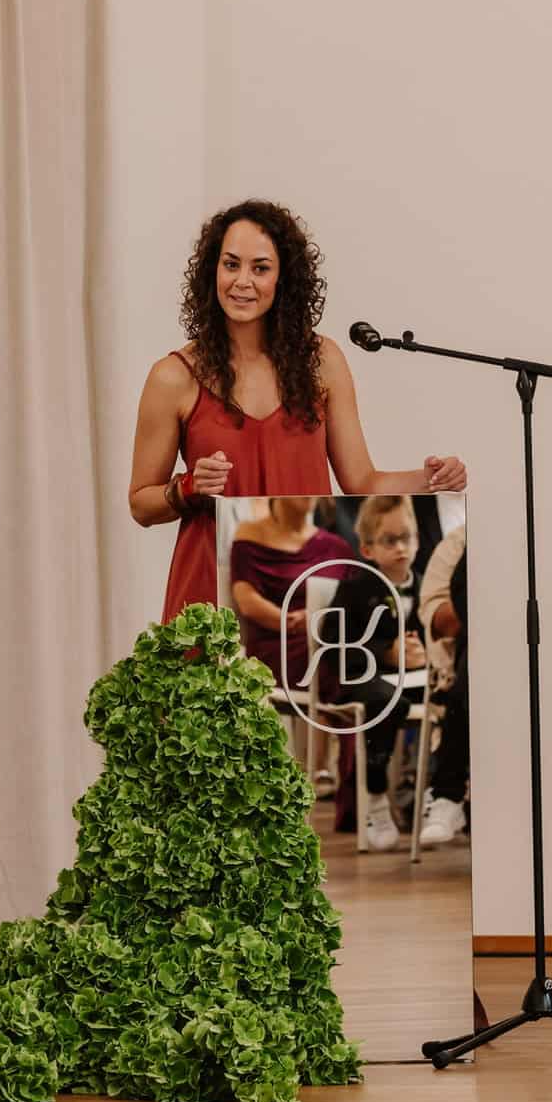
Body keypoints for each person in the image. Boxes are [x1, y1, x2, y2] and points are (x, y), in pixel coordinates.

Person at [128, 199, 466, 622]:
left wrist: (432, 478)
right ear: (212, 271)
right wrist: (188, 487)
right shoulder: (173, 376)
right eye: (231, 265)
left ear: (284, 278)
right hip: (208, 592)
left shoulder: (323, 362)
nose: (242, 281)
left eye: (260, 268)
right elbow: (141, 503)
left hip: (303, 589)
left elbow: (362, 480)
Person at [331, 494, 427, 850]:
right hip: (365, 680)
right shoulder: (355, 587)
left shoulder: (427, 586)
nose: (401, 548)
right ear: (367, 549)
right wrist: (387, 653)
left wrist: (423, 653)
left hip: (416, 679)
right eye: (390, 540)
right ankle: (375, 795)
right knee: (389, 702)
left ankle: (435, 793)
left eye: (407, 537)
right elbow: (335, 645)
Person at [226, 496, 354, 687]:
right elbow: (247, 601)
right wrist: (296, 622)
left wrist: (321, 621)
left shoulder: (338, 547)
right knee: (343, 660)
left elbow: (355, 600)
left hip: (333, 639)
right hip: (282, 648)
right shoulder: (250, 535)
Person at [417, 527, 470, 846]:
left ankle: (449, 793)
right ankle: (449, 795)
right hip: (469, 654)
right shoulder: (460, 542)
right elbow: (440, 620)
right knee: (478, 658)